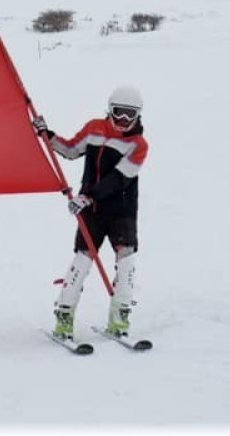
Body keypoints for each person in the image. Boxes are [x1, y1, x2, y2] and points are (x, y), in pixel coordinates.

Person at [33, 85, 149, 340]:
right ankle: (64, 316)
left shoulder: (138, 144)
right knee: (83, 259)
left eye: (130, 115)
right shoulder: (94, 128)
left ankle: (120, 318)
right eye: (118, 113)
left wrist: (87, 196)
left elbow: (120, 178)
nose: (123, 121)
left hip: (122, 211)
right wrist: (47, 135)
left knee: (126, 261)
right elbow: (71, 149)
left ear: (138, 115)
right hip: (93, 211)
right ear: (109, 110)